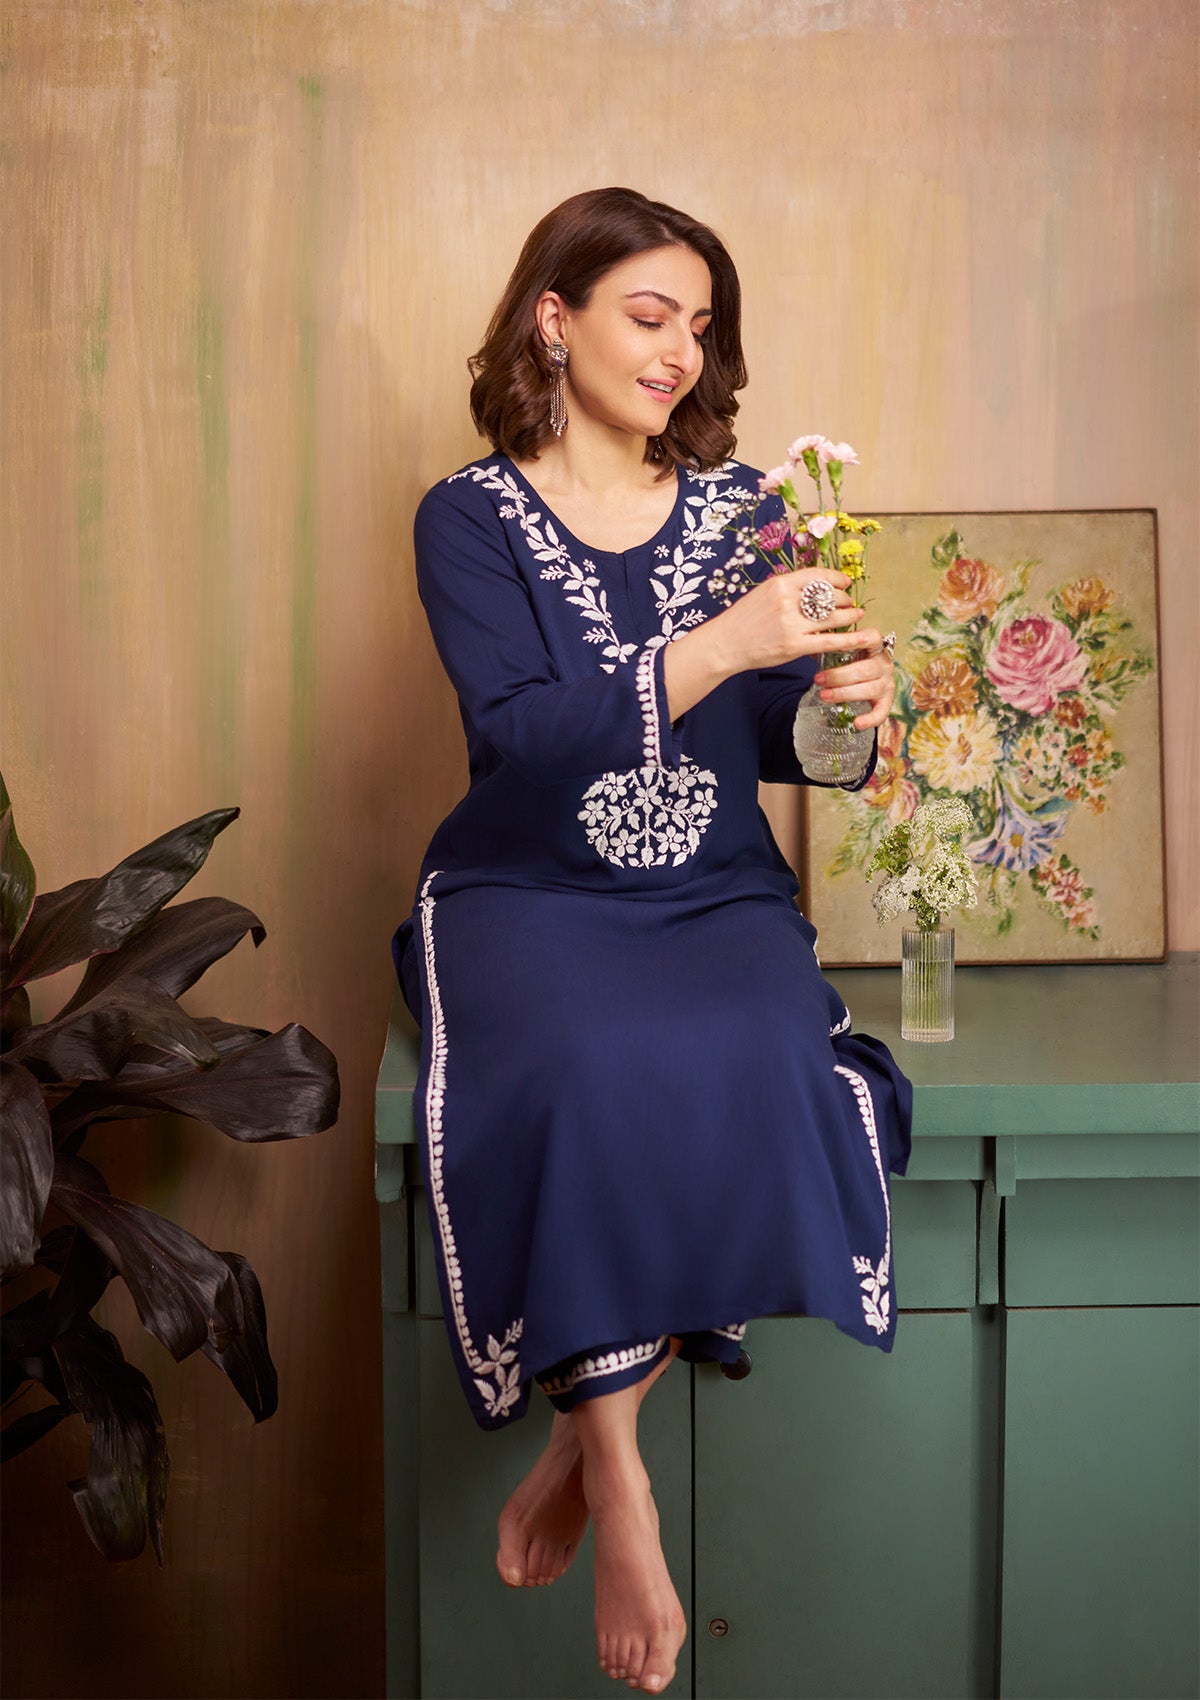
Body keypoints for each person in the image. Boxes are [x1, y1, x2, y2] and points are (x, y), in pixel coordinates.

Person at [391, 186, 912, 1698]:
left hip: (714, 895)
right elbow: (522, 735)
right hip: (525, 891)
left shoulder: (749, 510)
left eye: (699, 322)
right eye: (648, 312)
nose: (680, 348)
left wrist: (847, 712)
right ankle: (624, 1480)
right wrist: (726, 641)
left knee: (761, 1057)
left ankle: (575, 1440)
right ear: (553, 319)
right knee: (579, 1066)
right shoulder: (468, 517)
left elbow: (786, 739)